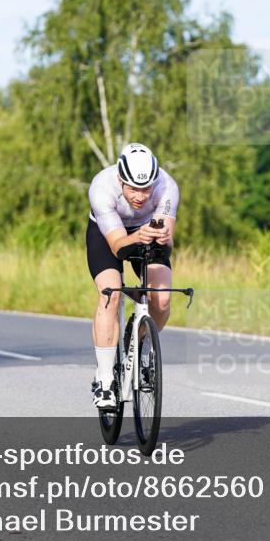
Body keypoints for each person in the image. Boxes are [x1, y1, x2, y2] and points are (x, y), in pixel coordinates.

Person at [86, 143, 179, 408]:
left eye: (146, 189)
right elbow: (118, 247)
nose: (140, 196)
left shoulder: (167, 187)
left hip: (146, 230)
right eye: (133, 188)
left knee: (160, 300)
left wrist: (162, 237)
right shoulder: (102, 187)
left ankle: (141, 344)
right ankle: (104, 380)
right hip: (108, 233)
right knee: (110, 294)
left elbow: (168, 243)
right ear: (120, 179)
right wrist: (139, 235)